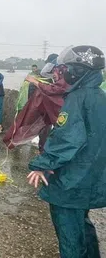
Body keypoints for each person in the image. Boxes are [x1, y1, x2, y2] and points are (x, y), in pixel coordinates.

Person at [27, 45, 106, 258]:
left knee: (70, 236)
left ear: (77, 71)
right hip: (92, 176)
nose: (60, 74)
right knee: (83, 226)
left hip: (71, 180)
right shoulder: (101, 96)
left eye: (65, 69)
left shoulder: (77, 98)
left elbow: (68, 138)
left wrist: (43, 164)